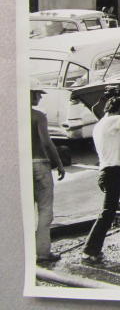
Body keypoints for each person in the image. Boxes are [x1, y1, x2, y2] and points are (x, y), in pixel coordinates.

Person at [81, 96, 120, 264]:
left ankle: (94, 250)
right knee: (107, 213)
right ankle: (88, 251)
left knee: (108, 212)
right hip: (112, 172)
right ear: (118, 111)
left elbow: (119, 152)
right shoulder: (110, 120)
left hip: (106, 172)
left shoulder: (101, 126)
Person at [31, 78, 65, 264]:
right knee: (45, 209)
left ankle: (25, 251)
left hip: (22, 167)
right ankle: (43, 252)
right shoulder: (38, 116)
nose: (40, 98)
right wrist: (58, 163)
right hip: (40, 164)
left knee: (26, 210)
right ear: (31, 94)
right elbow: (46, 142)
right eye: (38, 94)